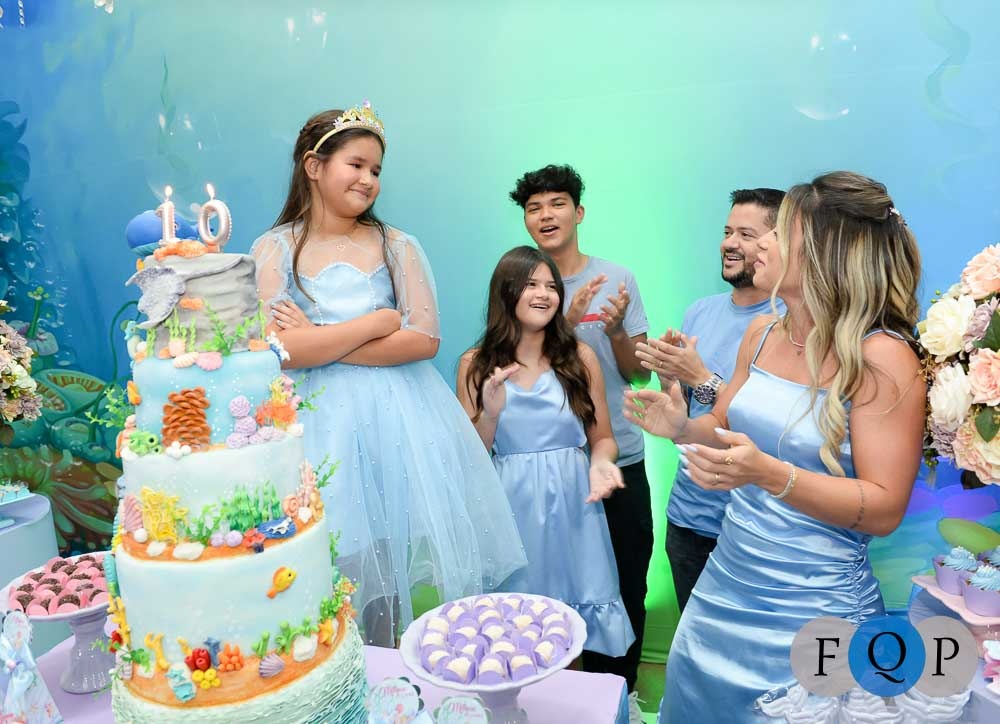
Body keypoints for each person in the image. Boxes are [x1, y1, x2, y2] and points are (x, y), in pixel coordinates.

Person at [625, 171, 924, 721]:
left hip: (815, 610)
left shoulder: (882, 357)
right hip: (724, 587)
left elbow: (884, 508)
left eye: (777, 233)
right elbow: (722, 423)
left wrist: (768, 474)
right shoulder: (760, 333)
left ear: (825, 253)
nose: (758, 244)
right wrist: (681, 428)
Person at [251, 102, 526, 647]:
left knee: (388, 560)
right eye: (356, 165)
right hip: (317, 424)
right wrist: (374, 323)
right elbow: (278, 349)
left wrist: (320, 340)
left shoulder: (396, 245)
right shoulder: (274, 248)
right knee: (332, 559)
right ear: (314, 166)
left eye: (375, 170)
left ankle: (387, 676)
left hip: (395, 422)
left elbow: (422, 339)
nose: (368, 179)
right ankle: (338, 676)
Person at [510, 165, 652, 708]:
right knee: (551, 591)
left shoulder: (618, 277)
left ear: (579, 212)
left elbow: (639, 374)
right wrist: (563, 324)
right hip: (549, 471)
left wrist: (614, 332)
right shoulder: (522, 281)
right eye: (534, 208)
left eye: (557, 204)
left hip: (615, 456)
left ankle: (619, 695)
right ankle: (555, 700)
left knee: (624, 581)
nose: (546, 215)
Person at [457, 245, 635, 660]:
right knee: (513, 639)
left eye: (551, 286)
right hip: (512, 510)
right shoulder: (475, 364)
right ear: (506, 292)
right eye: (531, 285)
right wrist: (490, 414)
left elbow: (603, 438)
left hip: (575, 509)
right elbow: (472, 460)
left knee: (573, 638)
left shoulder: (579, 358)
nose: (544, 294)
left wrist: (601, 464)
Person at [636, 188, 785, 613]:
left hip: (750, 523)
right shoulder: (700, 311)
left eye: (745, 234)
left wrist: (700, 376)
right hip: (687, 516)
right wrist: (670, 379)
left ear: (778, 243)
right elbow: (690, 413)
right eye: (726, 232)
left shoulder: (788, 324)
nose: (729, 243)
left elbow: (765, 420)